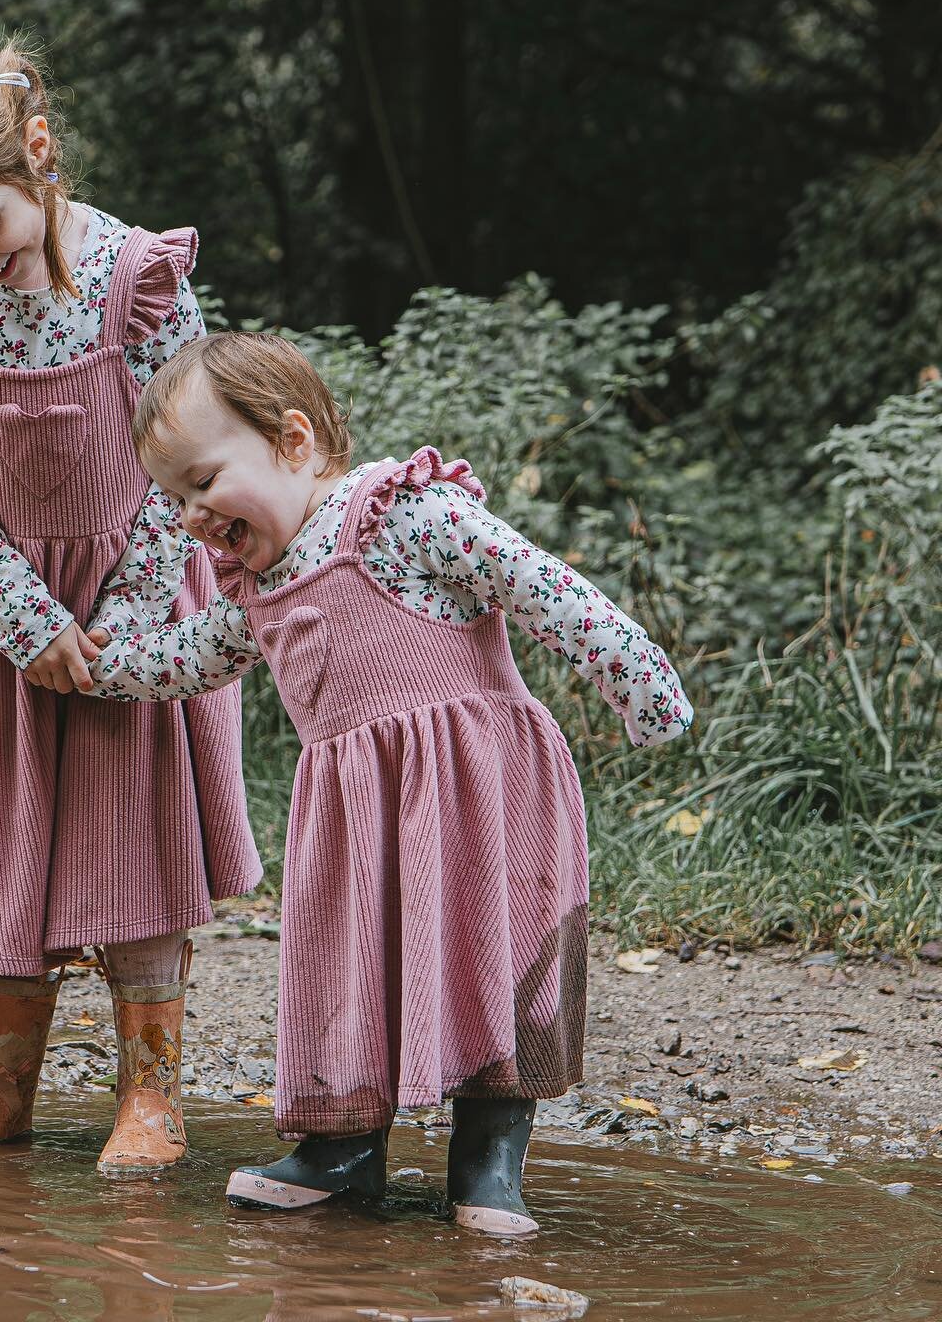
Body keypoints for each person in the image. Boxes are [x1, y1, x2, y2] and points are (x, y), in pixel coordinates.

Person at [82, 332, 693, 1233]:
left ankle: (487, 1166)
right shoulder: (255, 582)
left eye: (205, 482)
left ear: (292, 441)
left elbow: (540, 585)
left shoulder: (404, 515)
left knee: (495, 965)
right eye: (175, 499)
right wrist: (101, 667)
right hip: (353, 818)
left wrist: (640, 682)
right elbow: (191, 659)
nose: (192, 516)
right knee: (344, 970)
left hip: (484, 793)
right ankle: (341, 1153)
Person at [0, 16, 260, 1174]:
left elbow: (192, 457)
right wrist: (18, 612)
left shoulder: (138, 281)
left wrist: (128, 618)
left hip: (136, 604)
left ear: (37, 150)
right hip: (0, 618)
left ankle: (151, 1096)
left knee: (134, 849)